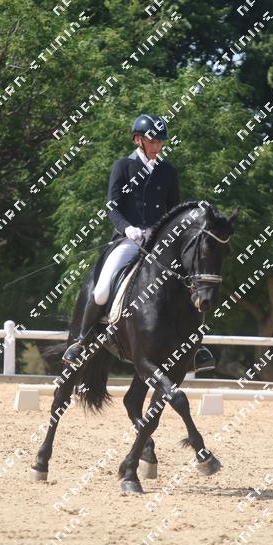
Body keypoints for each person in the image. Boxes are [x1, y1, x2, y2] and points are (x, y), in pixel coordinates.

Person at [62, 114, 214, 372]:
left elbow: (174, 210)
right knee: (101, 289)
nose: (157, 147)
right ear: (138, 140)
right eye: (153, 141)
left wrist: (163, 233)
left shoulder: (167, 172)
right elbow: (112, 207)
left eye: (160, 142)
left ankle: (195, 347)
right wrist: (127, 228)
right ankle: (81, 340)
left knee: (190, 281)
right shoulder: (123, 166)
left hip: (159, 244)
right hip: (128, 240)